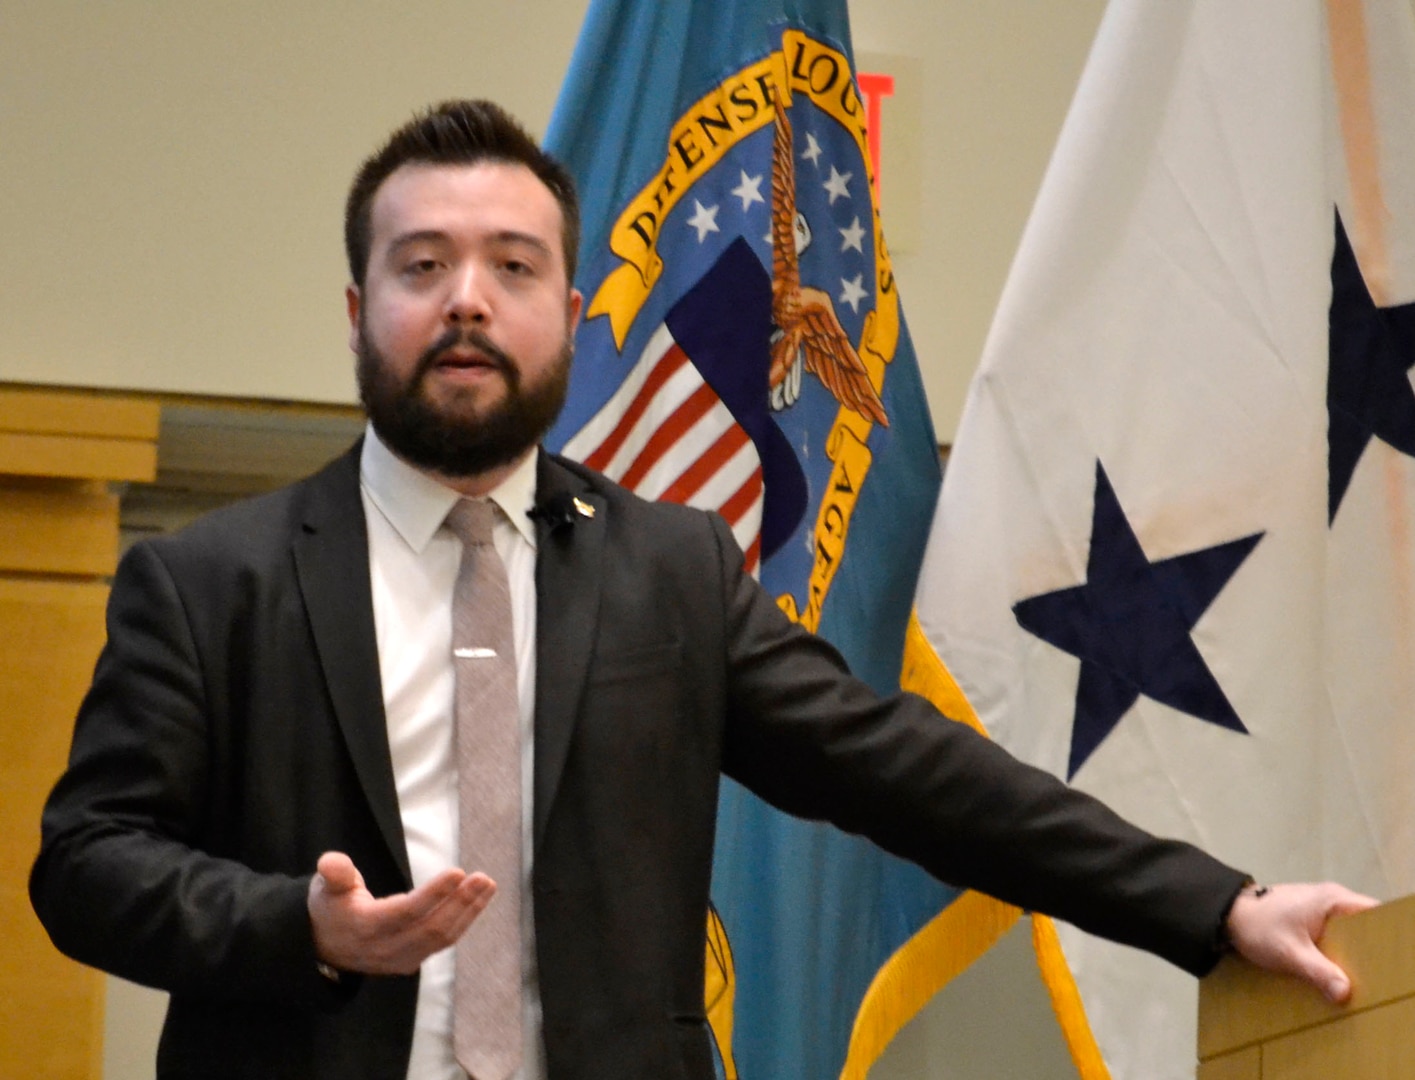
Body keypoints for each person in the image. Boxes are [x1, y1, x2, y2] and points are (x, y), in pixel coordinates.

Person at [30, 99, 1375, 1080]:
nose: (467, 301)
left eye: (513, 266)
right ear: (355, 308)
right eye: (422, 264)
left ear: (569, 310)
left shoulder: (669, 569)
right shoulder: (208, 581)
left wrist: (1215, 902)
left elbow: (911, 772)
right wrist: (296, 925)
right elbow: (85, 868)